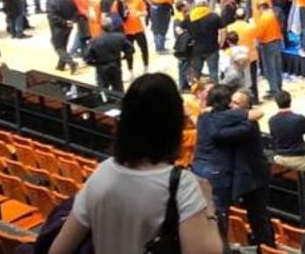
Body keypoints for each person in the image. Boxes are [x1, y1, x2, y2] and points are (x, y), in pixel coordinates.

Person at [50, 74, 224, 254]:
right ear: (174, 124)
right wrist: (208, 205)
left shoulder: (102, 172)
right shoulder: (182, 185)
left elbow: (57, 250)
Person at [191, 84, 276, 246]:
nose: (232, 105)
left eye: (236, 103)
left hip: (253, 178)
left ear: (246, 107)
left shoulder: (246, 125)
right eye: (231, 102)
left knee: (259, 219)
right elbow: (217, 133)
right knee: (218, 215)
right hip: (230, 176)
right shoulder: (218, 119)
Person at [269, 89, 305, 172]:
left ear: (276, 103)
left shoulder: (272, 120)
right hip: (299, 159)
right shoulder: (299, 119)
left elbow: (273, 135)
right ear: (290, 101)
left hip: (281, 157)